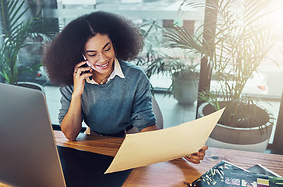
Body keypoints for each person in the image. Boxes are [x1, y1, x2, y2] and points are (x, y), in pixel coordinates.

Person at [43, 11, 206, 164]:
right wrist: (77, 93)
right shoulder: (73, 81)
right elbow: (70, 135)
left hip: (131, 136)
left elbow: (147, 126)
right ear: (81, 55)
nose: (103, 59)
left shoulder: (135, 77)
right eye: (92, 54)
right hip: (94, 138)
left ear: (115, 44)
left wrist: (180, 149)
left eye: (107, 48)